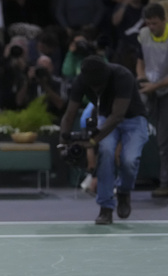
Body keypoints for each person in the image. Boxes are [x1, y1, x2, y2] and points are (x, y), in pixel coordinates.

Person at [59, 55, 149, 225]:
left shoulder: (122, 76)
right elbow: (69, 115)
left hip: (134, 119)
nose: (97, 89)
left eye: (100, 85)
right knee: (106, 153)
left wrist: (93, 141)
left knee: (129, 160)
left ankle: (123, 191)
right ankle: (105, 208)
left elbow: (118, 116)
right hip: (105, 116)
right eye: (93, 86)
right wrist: (62, 145)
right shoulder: (81, 81)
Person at [136, 2, 168, 197]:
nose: (151, 27)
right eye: (148, 23)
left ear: (164, 21)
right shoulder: (144, 34)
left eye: (155, 23)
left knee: (164, 140)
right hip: (148, 87)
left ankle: (165, 183)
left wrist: (154, 86)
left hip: (165, 91)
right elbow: (140, 61)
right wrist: (141, 78)